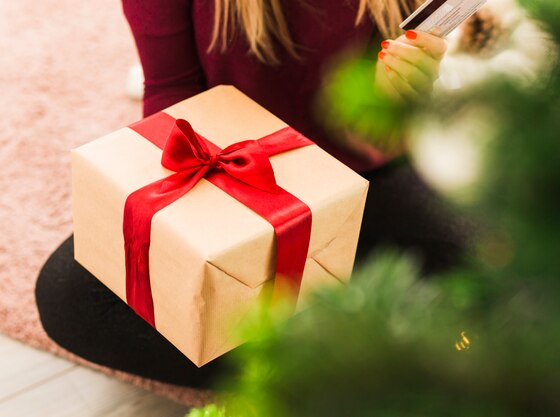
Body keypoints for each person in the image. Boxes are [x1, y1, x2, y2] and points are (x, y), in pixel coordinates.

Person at [36, 0, 470, 388]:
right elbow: (172, 97)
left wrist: (391, 100)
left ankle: (334, 358)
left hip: (359, 176)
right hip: (235, 180)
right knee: (71, 296)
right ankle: (344, 372)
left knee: (496, 274)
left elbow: (390, 139)